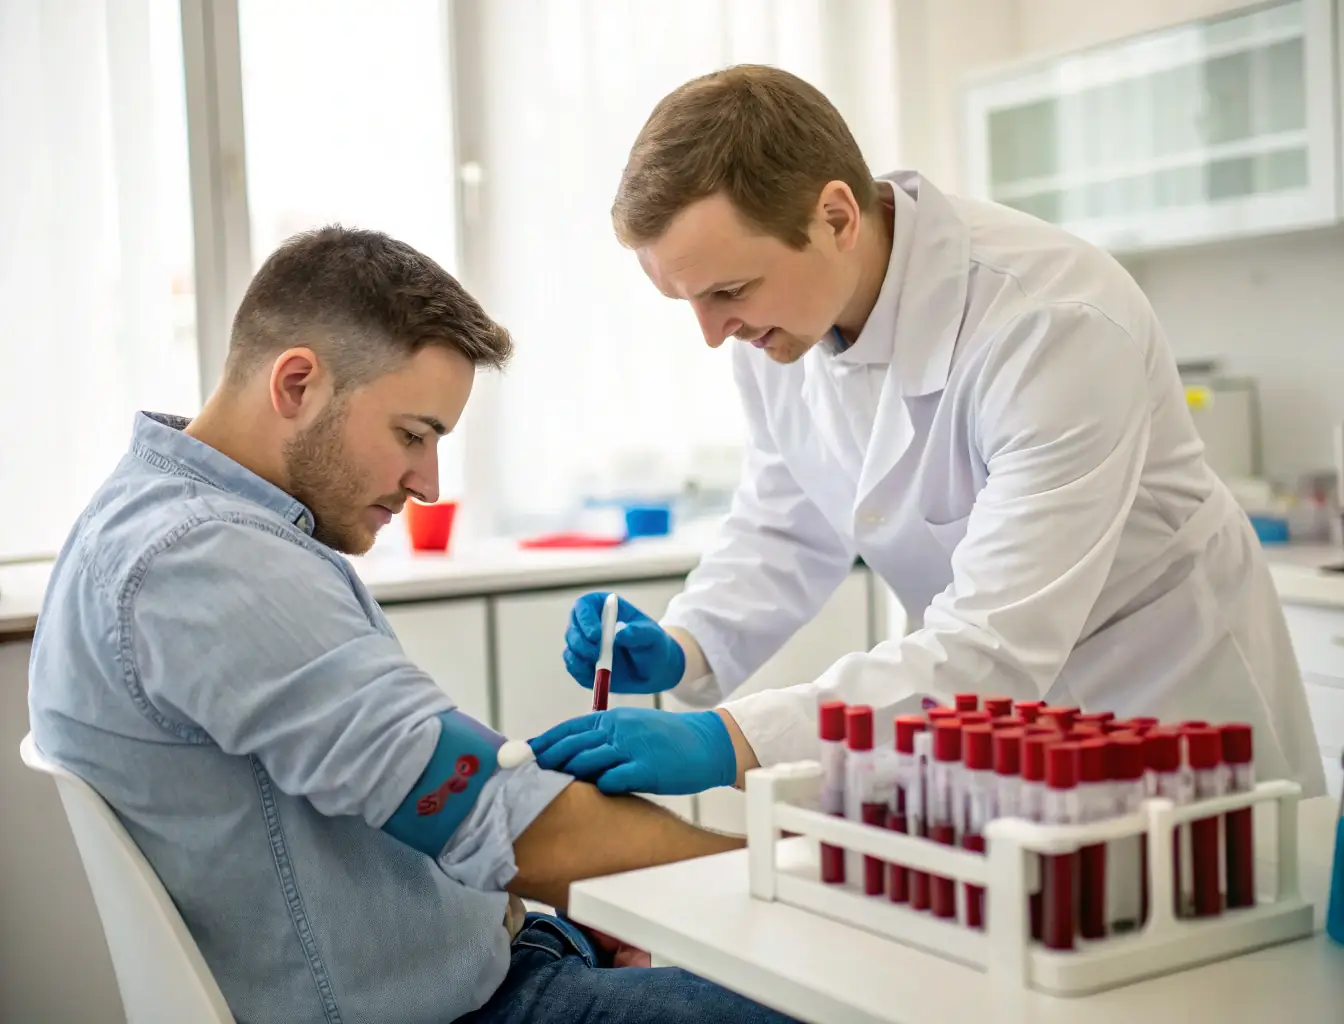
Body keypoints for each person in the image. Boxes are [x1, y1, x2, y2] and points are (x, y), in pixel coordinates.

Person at [27, 226, 799, 1024]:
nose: (427, 483)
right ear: (296, 383)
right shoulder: (207, 565)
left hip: (495, 955)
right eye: (412, 434)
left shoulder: (169, 515)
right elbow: (501, 820)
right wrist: (791, 888)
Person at [531, 64, 1325, 802]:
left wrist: (732, 739)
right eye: (691, 302)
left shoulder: (1051, 324)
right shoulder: (776, 328)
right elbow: (785, 523)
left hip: (1166, 711)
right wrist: (688, 642)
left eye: (727, 291)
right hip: (992, 733)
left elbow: (993, 645)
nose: (711, 333)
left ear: (835, 215)